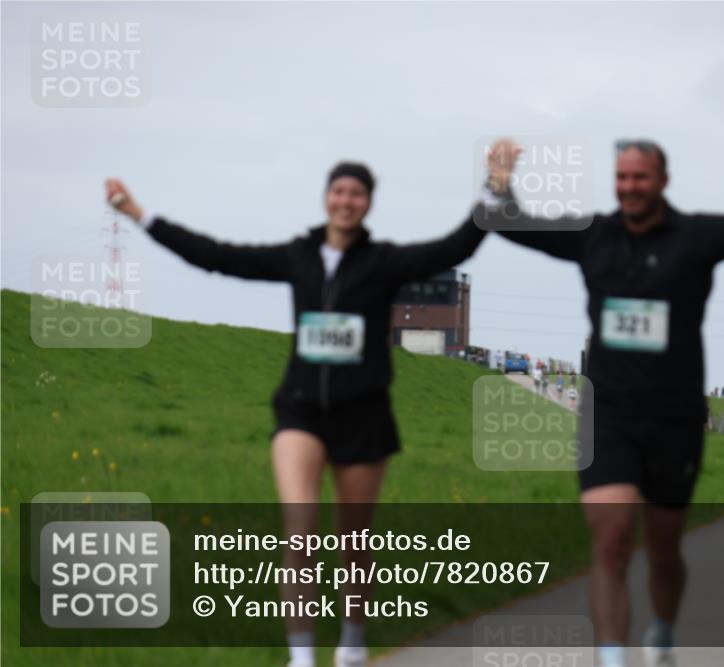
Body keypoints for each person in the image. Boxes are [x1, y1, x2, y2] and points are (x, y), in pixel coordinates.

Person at [105, 151, 491, 667]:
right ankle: (302, 657)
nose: (346, 200)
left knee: (354, 542)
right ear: (327, 198)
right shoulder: (298, 256)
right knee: (301, 528)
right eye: (339, 191)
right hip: (301, 411)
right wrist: (140, 214)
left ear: (368, 204)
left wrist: (494, 190)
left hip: (364, 413)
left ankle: (352, 642)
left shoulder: (384, 262)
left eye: (356, 193)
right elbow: (217, 255)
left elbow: (455, 245)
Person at [481, 110, 724, 667]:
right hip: (610, 417)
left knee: (665, 550)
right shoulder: (593, 238)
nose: (628, 188)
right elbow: (511, 222)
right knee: (611, 542)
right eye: (621, 178)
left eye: (639, 178)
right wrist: (499, 180)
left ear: (662, 181)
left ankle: (664, 633)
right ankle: (613, 658)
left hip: (673, 421)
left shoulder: (696, 239)